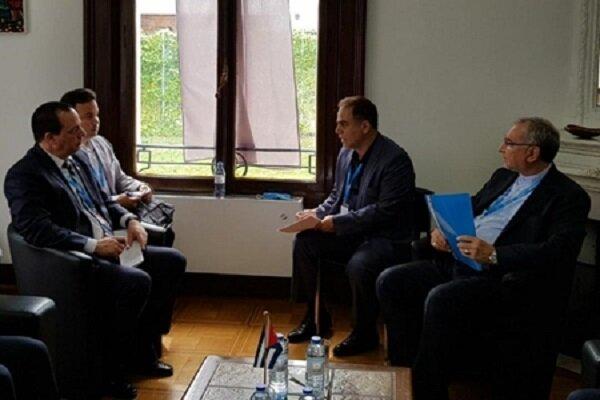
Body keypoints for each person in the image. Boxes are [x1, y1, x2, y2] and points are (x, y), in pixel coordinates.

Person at [376, 117, 591, 400]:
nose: (501, 148)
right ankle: (404, 378)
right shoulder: (502, 176)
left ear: (532, 152)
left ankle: (427, 391)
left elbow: (558, 250)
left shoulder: (568, 196)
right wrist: (442, 231)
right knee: (391, 280)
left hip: (501, 277)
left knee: (441, 298)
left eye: (509, 143)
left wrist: (494, 254)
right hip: (458, 260)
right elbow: (473, 208)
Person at [4, 102, 187, 399]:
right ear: (50, 138)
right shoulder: (25, 175)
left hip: (108, 245)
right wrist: (92, 246)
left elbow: (105, 201)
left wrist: (129, 221)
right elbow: (36, 229)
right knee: (136, 282)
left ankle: (142, 352)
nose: (82, 135)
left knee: (171, 262)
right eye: (73, 130)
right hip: (77, 260)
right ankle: (109, 373)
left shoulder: (77, 160)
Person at [287, 96, 416, 357]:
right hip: (351, 231)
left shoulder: (395, 160)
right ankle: (317, 319)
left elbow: (385, 211)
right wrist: (316, 214)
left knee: (360, 264)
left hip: (384, 237)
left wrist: (336, 223)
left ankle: (365, 333)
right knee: (304, 242)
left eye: (343, 124)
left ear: (365, 126)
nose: (337, 130)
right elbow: (337, 195)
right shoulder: (346, 153)